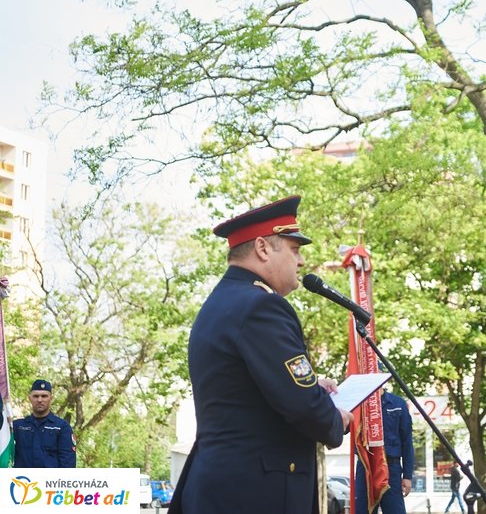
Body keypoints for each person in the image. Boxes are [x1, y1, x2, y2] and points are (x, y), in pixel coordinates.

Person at [171, 195, 353, 514]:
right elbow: (304, 408)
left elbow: (251, 392)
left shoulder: (221, 303)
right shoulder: (261, 307)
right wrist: (335, 420)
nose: (300, 262)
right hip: (255, 493)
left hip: (225, 488)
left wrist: (311, 388)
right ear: (263, 248)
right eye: (294, 249)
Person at [355, 387, 414, 514]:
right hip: (365, 466)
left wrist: (408, 476)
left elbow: (407, 441)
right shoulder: (360, 403)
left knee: (395, 510)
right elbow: (345, 428)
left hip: (391, 467)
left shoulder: (398, 403)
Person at [13, 379, 76, 467]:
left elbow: (68, 464)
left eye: (44, 396)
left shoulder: (62, 427)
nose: (39, 400)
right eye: (36, 396)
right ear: (30, 398)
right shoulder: (16, 426)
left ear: (51, 398)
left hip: (49, 480)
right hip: (22, 480)